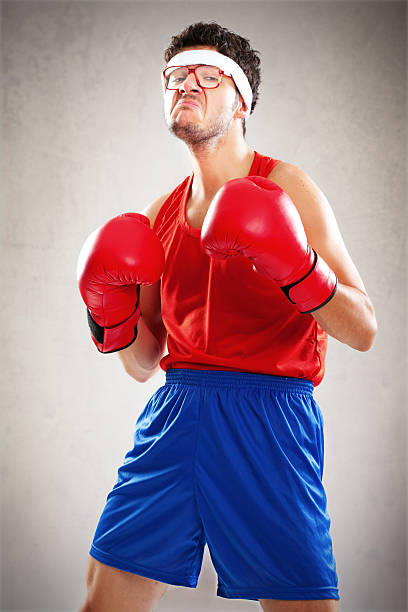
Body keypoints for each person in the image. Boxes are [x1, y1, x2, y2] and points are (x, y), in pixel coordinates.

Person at [76, 21, 377, 612]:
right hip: (176, 413)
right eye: (174, 76)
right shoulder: (156, 214)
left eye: (207, 75)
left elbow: (364, 328)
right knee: (102, 604)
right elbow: (142, 364)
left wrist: (297, 267)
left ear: (242, 99)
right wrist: (105, 314)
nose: (186, 84)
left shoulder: (288, 188)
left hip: (270, 417)